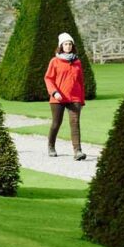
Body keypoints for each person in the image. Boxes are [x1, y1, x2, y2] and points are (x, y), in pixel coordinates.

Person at [44, 32, 87, 161]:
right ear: (61, 46)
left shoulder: (77, 62)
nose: (68, 46)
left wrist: (82, 100)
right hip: (58, 98)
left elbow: (80, 82)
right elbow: (48, 78)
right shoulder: (55, 61)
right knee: (56, 123)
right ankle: (51, 146)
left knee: (75, 123)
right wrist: (54, 92)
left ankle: (77, 151)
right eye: (65, 44)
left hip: (74, 98)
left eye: (70, 44)